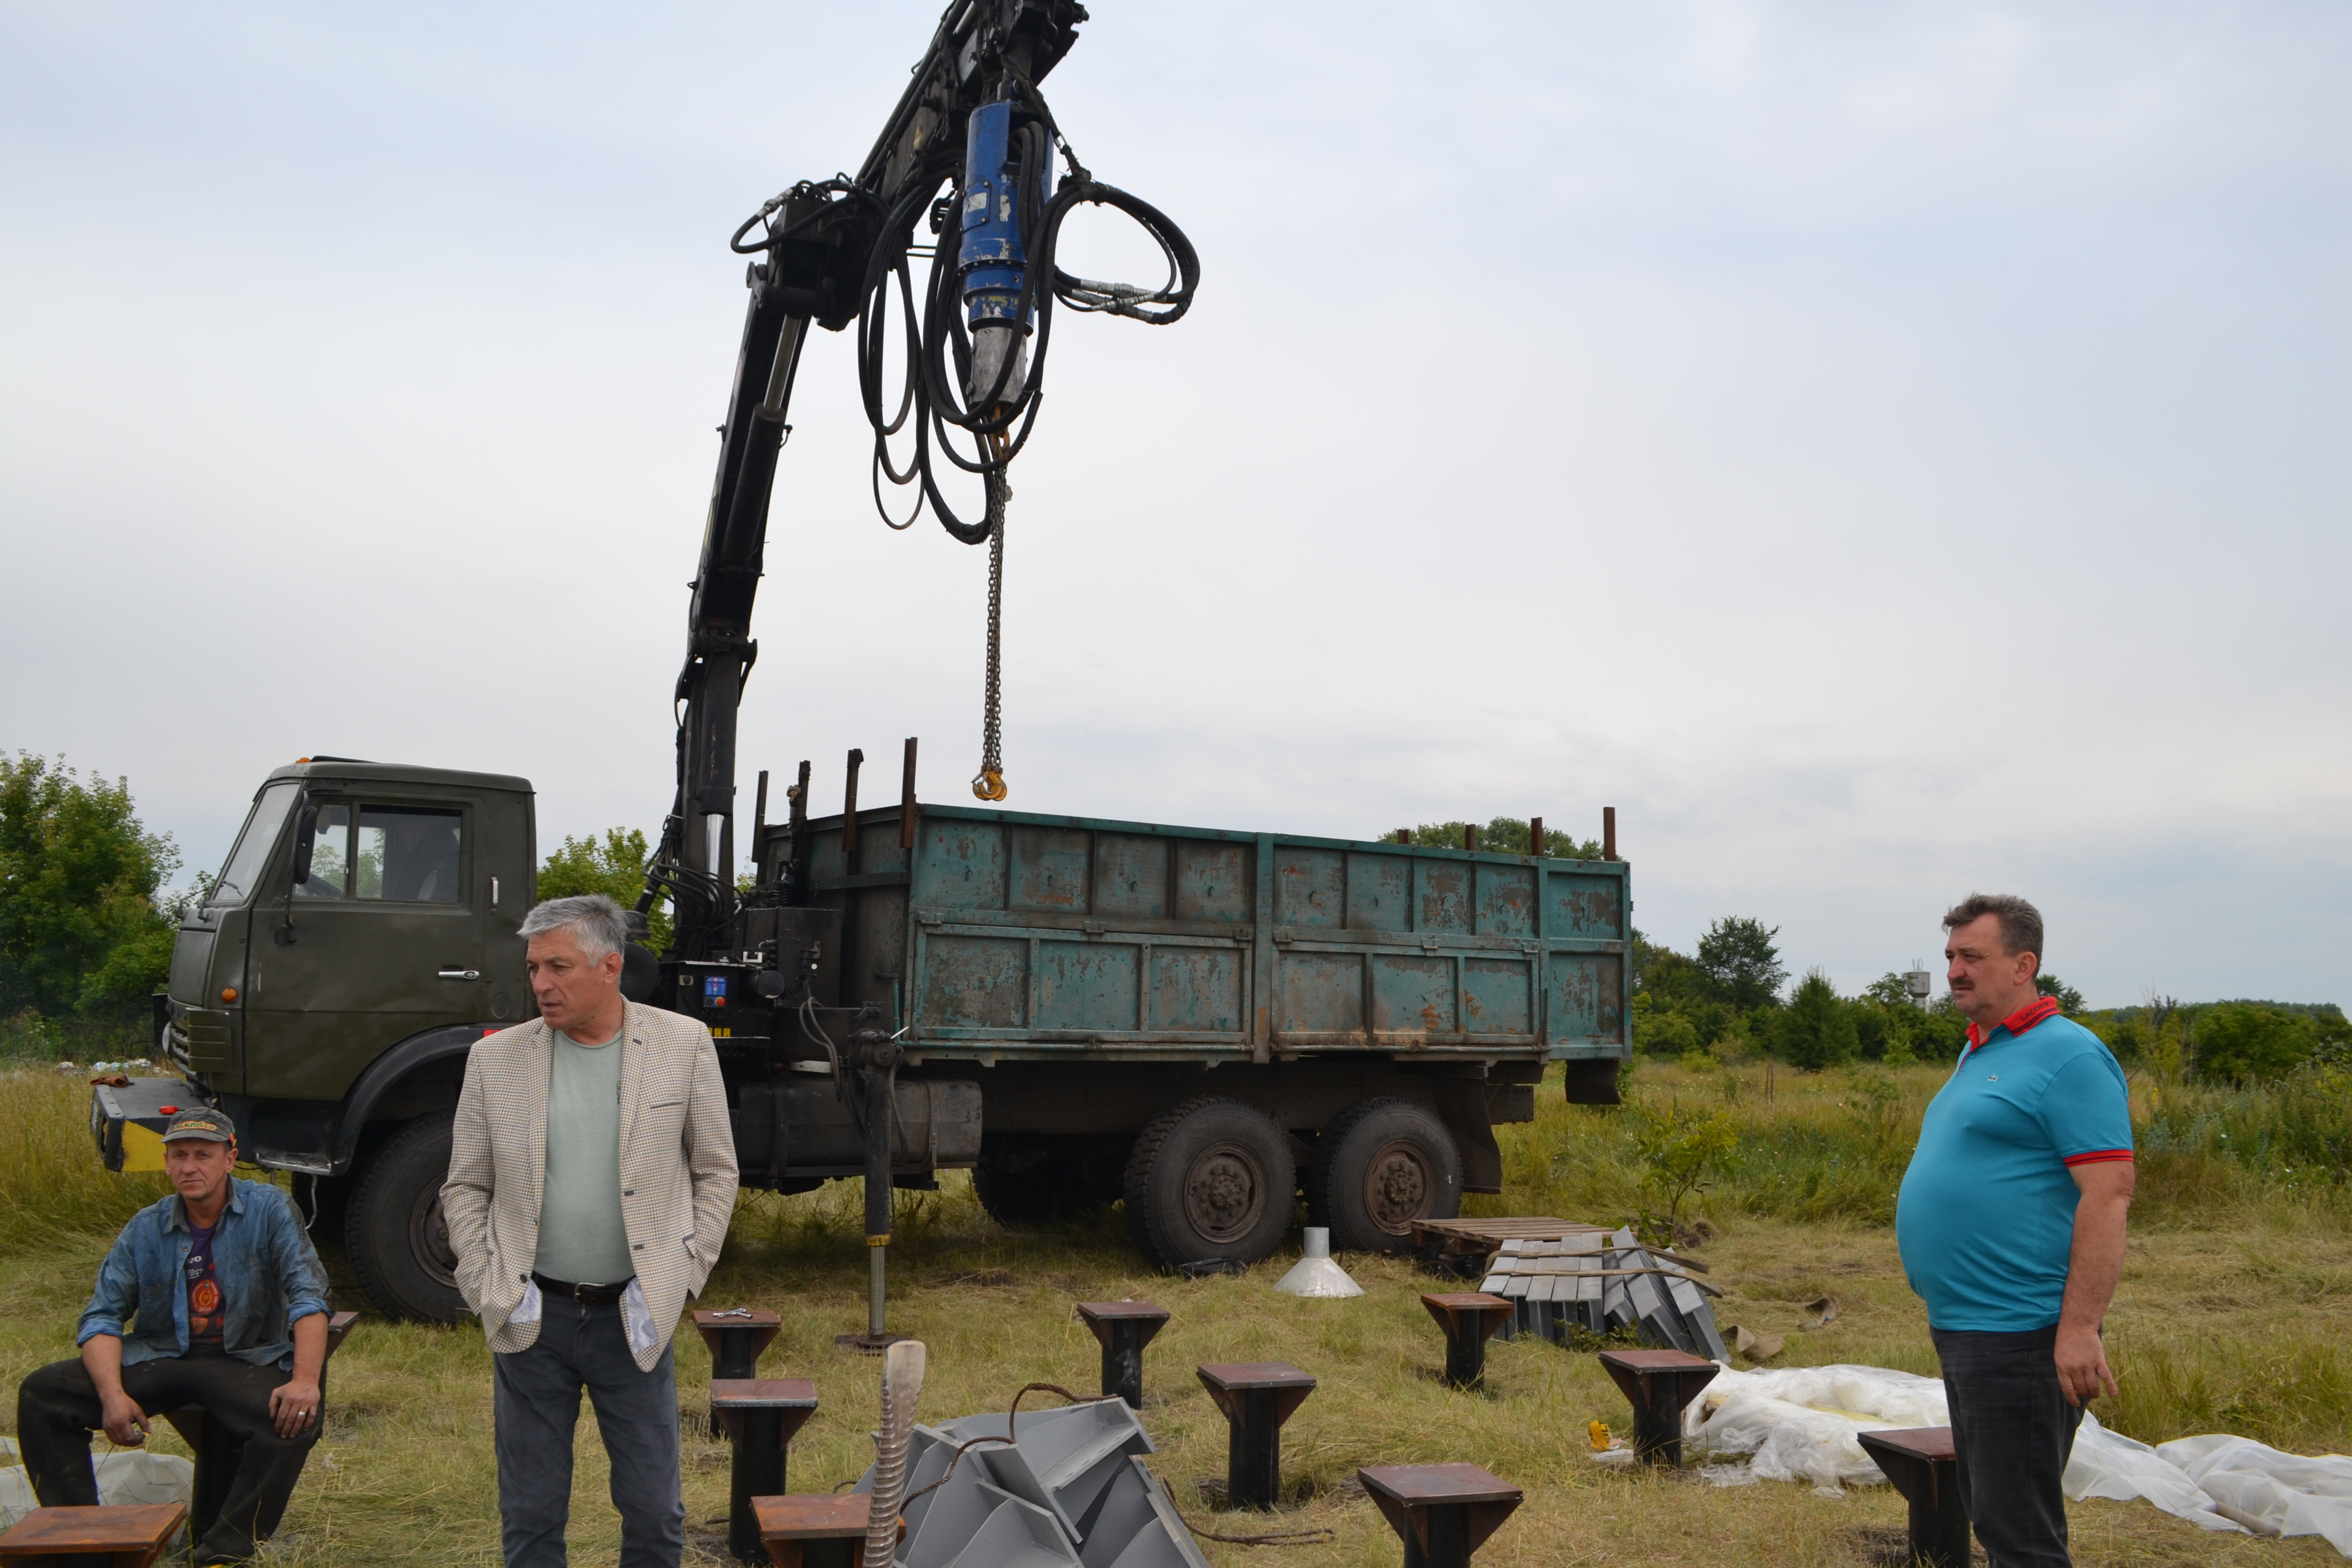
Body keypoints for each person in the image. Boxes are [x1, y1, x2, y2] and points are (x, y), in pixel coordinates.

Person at [441, 893, 738, 1568]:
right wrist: (487, 1281)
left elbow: (717, 1171)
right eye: (534, 968)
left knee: (656, 1514)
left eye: (559, 967)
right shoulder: (495, 1061)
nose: (541, 984)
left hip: (633, 1315)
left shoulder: (683, 1045)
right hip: (532, 1316)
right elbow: (465, 1184)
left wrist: (683, 1271)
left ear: (611, 966)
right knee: (532, 1516)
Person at [1896, 894, 2134, 1568]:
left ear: (2024, 964)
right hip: (1970, 1326)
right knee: (1995, 1510)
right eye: (1950, 957)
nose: (1955, 971)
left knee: (2019, 1530)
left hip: (2023, 1334)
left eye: (1973, 956)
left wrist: (2081, 1328)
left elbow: (2109, 1194)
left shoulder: (2070, 1058)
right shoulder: (1983, 1051)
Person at [16, 1108, 331, 1565]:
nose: (190, 1167)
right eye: (179, 1155)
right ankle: (81, 1541)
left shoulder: (269, 1210)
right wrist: (111, 1396)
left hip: (243, 1359)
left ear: (230, 1160)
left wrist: (305, 1380)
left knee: (298, 1416)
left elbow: (309, 1298)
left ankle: (223, 1551)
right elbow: (102, 1318)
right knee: (44, 1394)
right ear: (166, 1164)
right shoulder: (146, 1228)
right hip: (164, 1357)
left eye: (204, 1155)